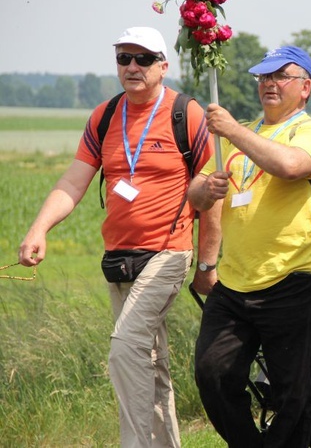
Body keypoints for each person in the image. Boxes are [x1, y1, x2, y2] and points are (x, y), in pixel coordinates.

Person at [17, 26, 214, 448]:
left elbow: (212, 193)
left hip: (168, 252)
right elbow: (74, 181)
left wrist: (207, 265)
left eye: (143, 59)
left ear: (163, 66)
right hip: (120, 258)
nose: (132, 67)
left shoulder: (187, 114)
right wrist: (39, 229)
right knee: (149, 362)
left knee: (125, 348)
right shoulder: (104, 115)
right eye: (124, 58)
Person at [187, 45, 311, 447]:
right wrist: (206, 187)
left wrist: (232, 130)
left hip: (290, 279)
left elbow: (290, 166)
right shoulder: (243, 132)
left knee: (292, 392)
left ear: (304, 87)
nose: (269, 84)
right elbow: (196, 196)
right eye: (263, 77)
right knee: (213, 373)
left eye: (280, 76)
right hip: (234, 282)